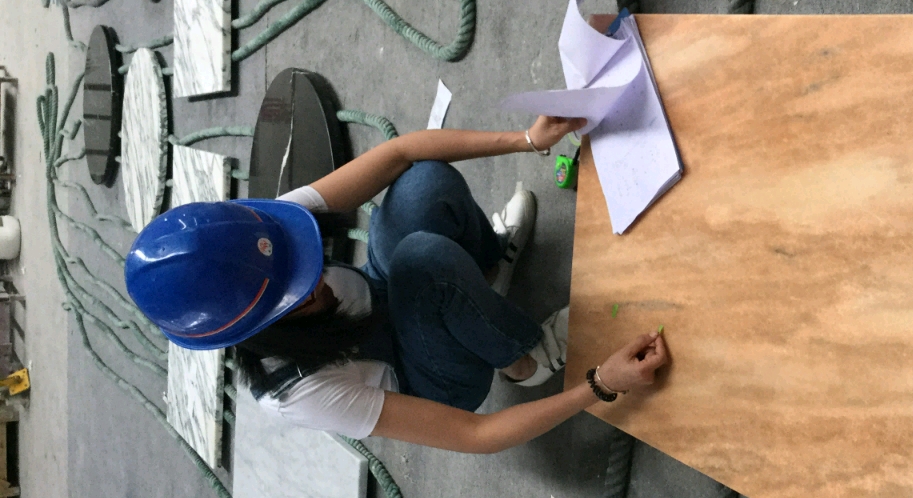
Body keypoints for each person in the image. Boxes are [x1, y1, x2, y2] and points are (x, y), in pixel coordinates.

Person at [124, 114, 669, 452]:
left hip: (380, 288)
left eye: (302, 269)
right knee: (423, 262)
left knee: (422, 183)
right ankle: (526, 359)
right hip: (426, 377)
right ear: (254, 329)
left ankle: (482, 281)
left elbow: (400, 153)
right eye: (298, 298)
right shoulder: (294, 391)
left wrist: (527, 138)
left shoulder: (265, 242)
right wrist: (601, 384)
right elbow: (474, 435)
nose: (314, 280)